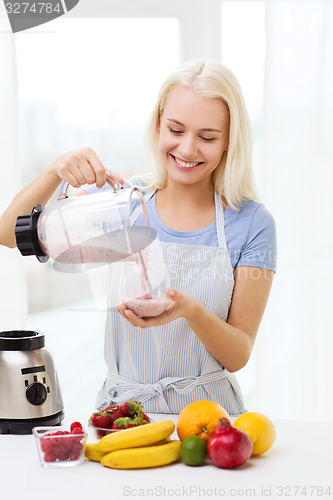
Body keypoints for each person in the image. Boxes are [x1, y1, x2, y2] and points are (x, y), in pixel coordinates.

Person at [0, 59, 276, 416]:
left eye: (207, 137)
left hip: (210, 418)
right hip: (124, 414)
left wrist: (188, 310)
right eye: (176, 129)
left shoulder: (251, 223)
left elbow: (238, 354)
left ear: (229, 141)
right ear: (159, 123)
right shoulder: (121, 206)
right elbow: (8, 234)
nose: (188, 149)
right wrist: (56, 170)